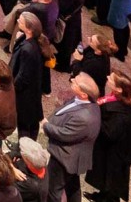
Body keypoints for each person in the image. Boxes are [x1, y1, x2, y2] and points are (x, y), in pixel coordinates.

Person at [40, 72, 102, 202]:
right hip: (73, 156)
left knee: (53, 190)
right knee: (73, 186)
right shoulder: (82, 101)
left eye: (76, 82)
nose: (72, 80)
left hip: (66, 157)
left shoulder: (84, 117)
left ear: (84, 94)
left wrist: (46, 126)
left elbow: (64, 134)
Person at [86, 71, 131, 202]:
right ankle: (102, 196)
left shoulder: (119, 114)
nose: (107, 77)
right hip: (121, 149)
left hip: (116, 152)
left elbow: (109, 133)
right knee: (109, 179)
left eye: (111, 79)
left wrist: (96, 118)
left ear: (119, 89)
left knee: (111, 180)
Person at [10, 12, 48, 139]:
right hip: (32, 92)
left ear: (29, 29)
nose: (18, 21)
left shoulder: (28, 49)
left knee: (24, 124)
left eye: (20, 21)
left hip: (25, 95)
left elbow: (23, 76)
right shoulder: (30, 41)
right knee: (30, 122)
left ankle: (25, 146)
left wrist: (12, 88)